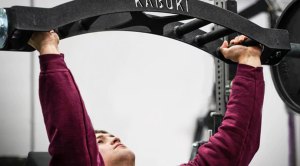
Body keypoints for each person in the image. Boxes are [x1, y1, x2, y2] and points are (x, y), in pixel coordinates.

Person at [28, 31, 264, 166]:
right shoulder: (78, 155)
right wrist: (49, 49)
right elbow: (72, 139)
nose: (114, 138)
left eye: (109, 136)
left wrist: (249, 59)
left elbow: (232, 151)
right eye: (98, 141)